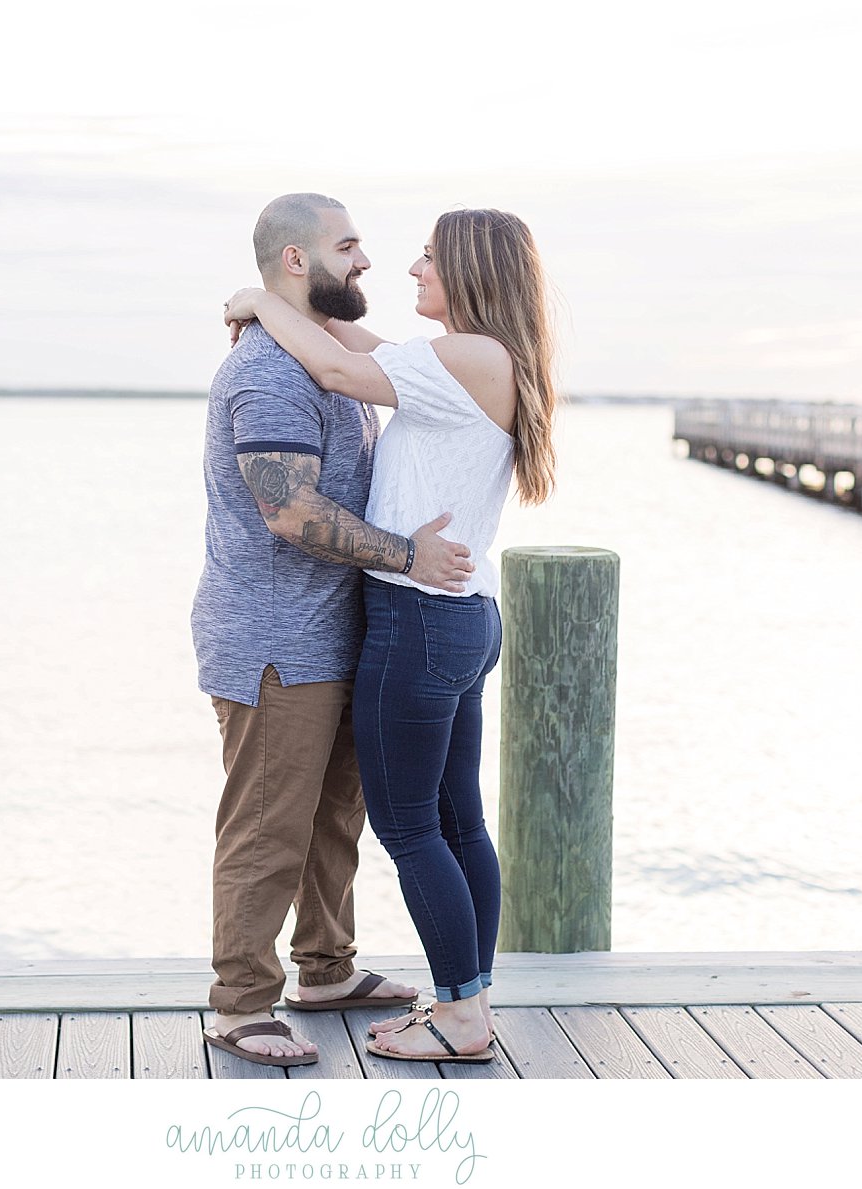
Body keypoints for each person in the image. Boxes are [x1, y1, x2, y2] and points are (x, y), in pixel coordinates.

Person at [221, 207, 559, 1063]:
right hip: (463, 617)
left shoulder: (466, 357)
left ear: (473, 271)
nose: (408, 269)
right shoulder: (481, 359)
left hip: (417, 619)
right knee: (457, 822)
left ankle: (459, 1016)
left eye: (429, 258)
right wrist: (272, 302)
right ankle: (467, 998)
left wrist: (260, 304)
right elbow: (348, 348)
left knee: (410, 828)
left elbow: (334, 365)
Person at [192, 193, 477, 1067]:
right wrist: (407, 555)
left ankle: (324, 968)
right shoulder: (269, 373)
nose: (365, 263)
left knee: (331, 821)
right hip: (276, 640)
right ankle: (241, 1003)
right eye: (348, 247)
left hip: (339, 632)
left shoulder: (316, 360)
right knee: (269, 824)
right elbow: (287, 510)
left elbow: (387, 369)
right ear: (294, 262)